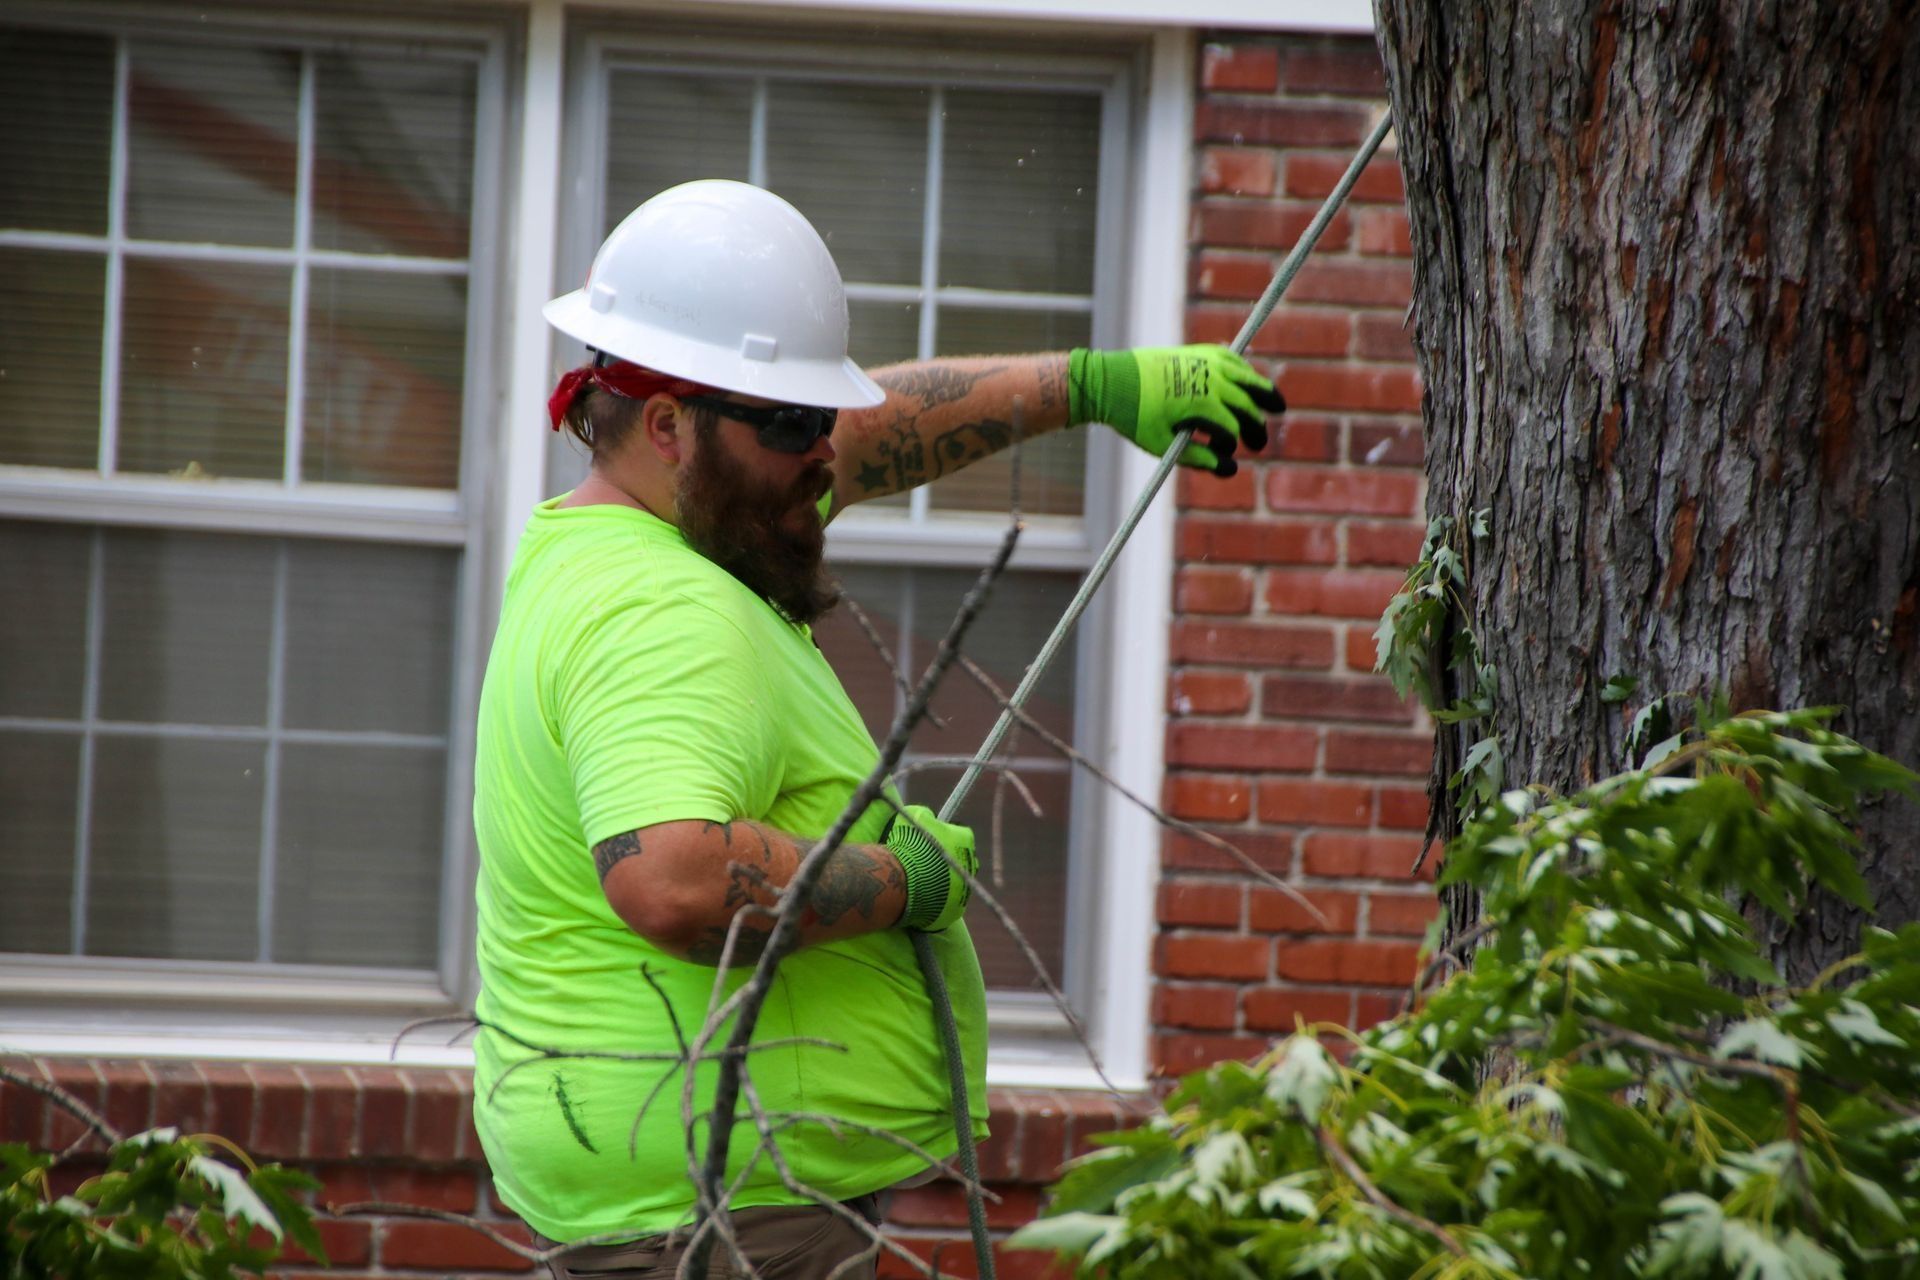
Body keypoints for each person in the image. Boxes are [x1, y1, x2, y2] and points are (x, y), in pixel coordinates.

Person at [471, 179, 1284, 1280]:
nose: (825, 448)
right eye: (793, 420)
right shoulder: (662, 610)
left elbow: (866, 437)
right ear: (666, 424)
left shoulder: (656, 534)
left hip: (693, 1207)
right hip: (721, 1221)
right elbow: (669, 878)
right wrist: (905, 878)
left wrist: (1094, 386)